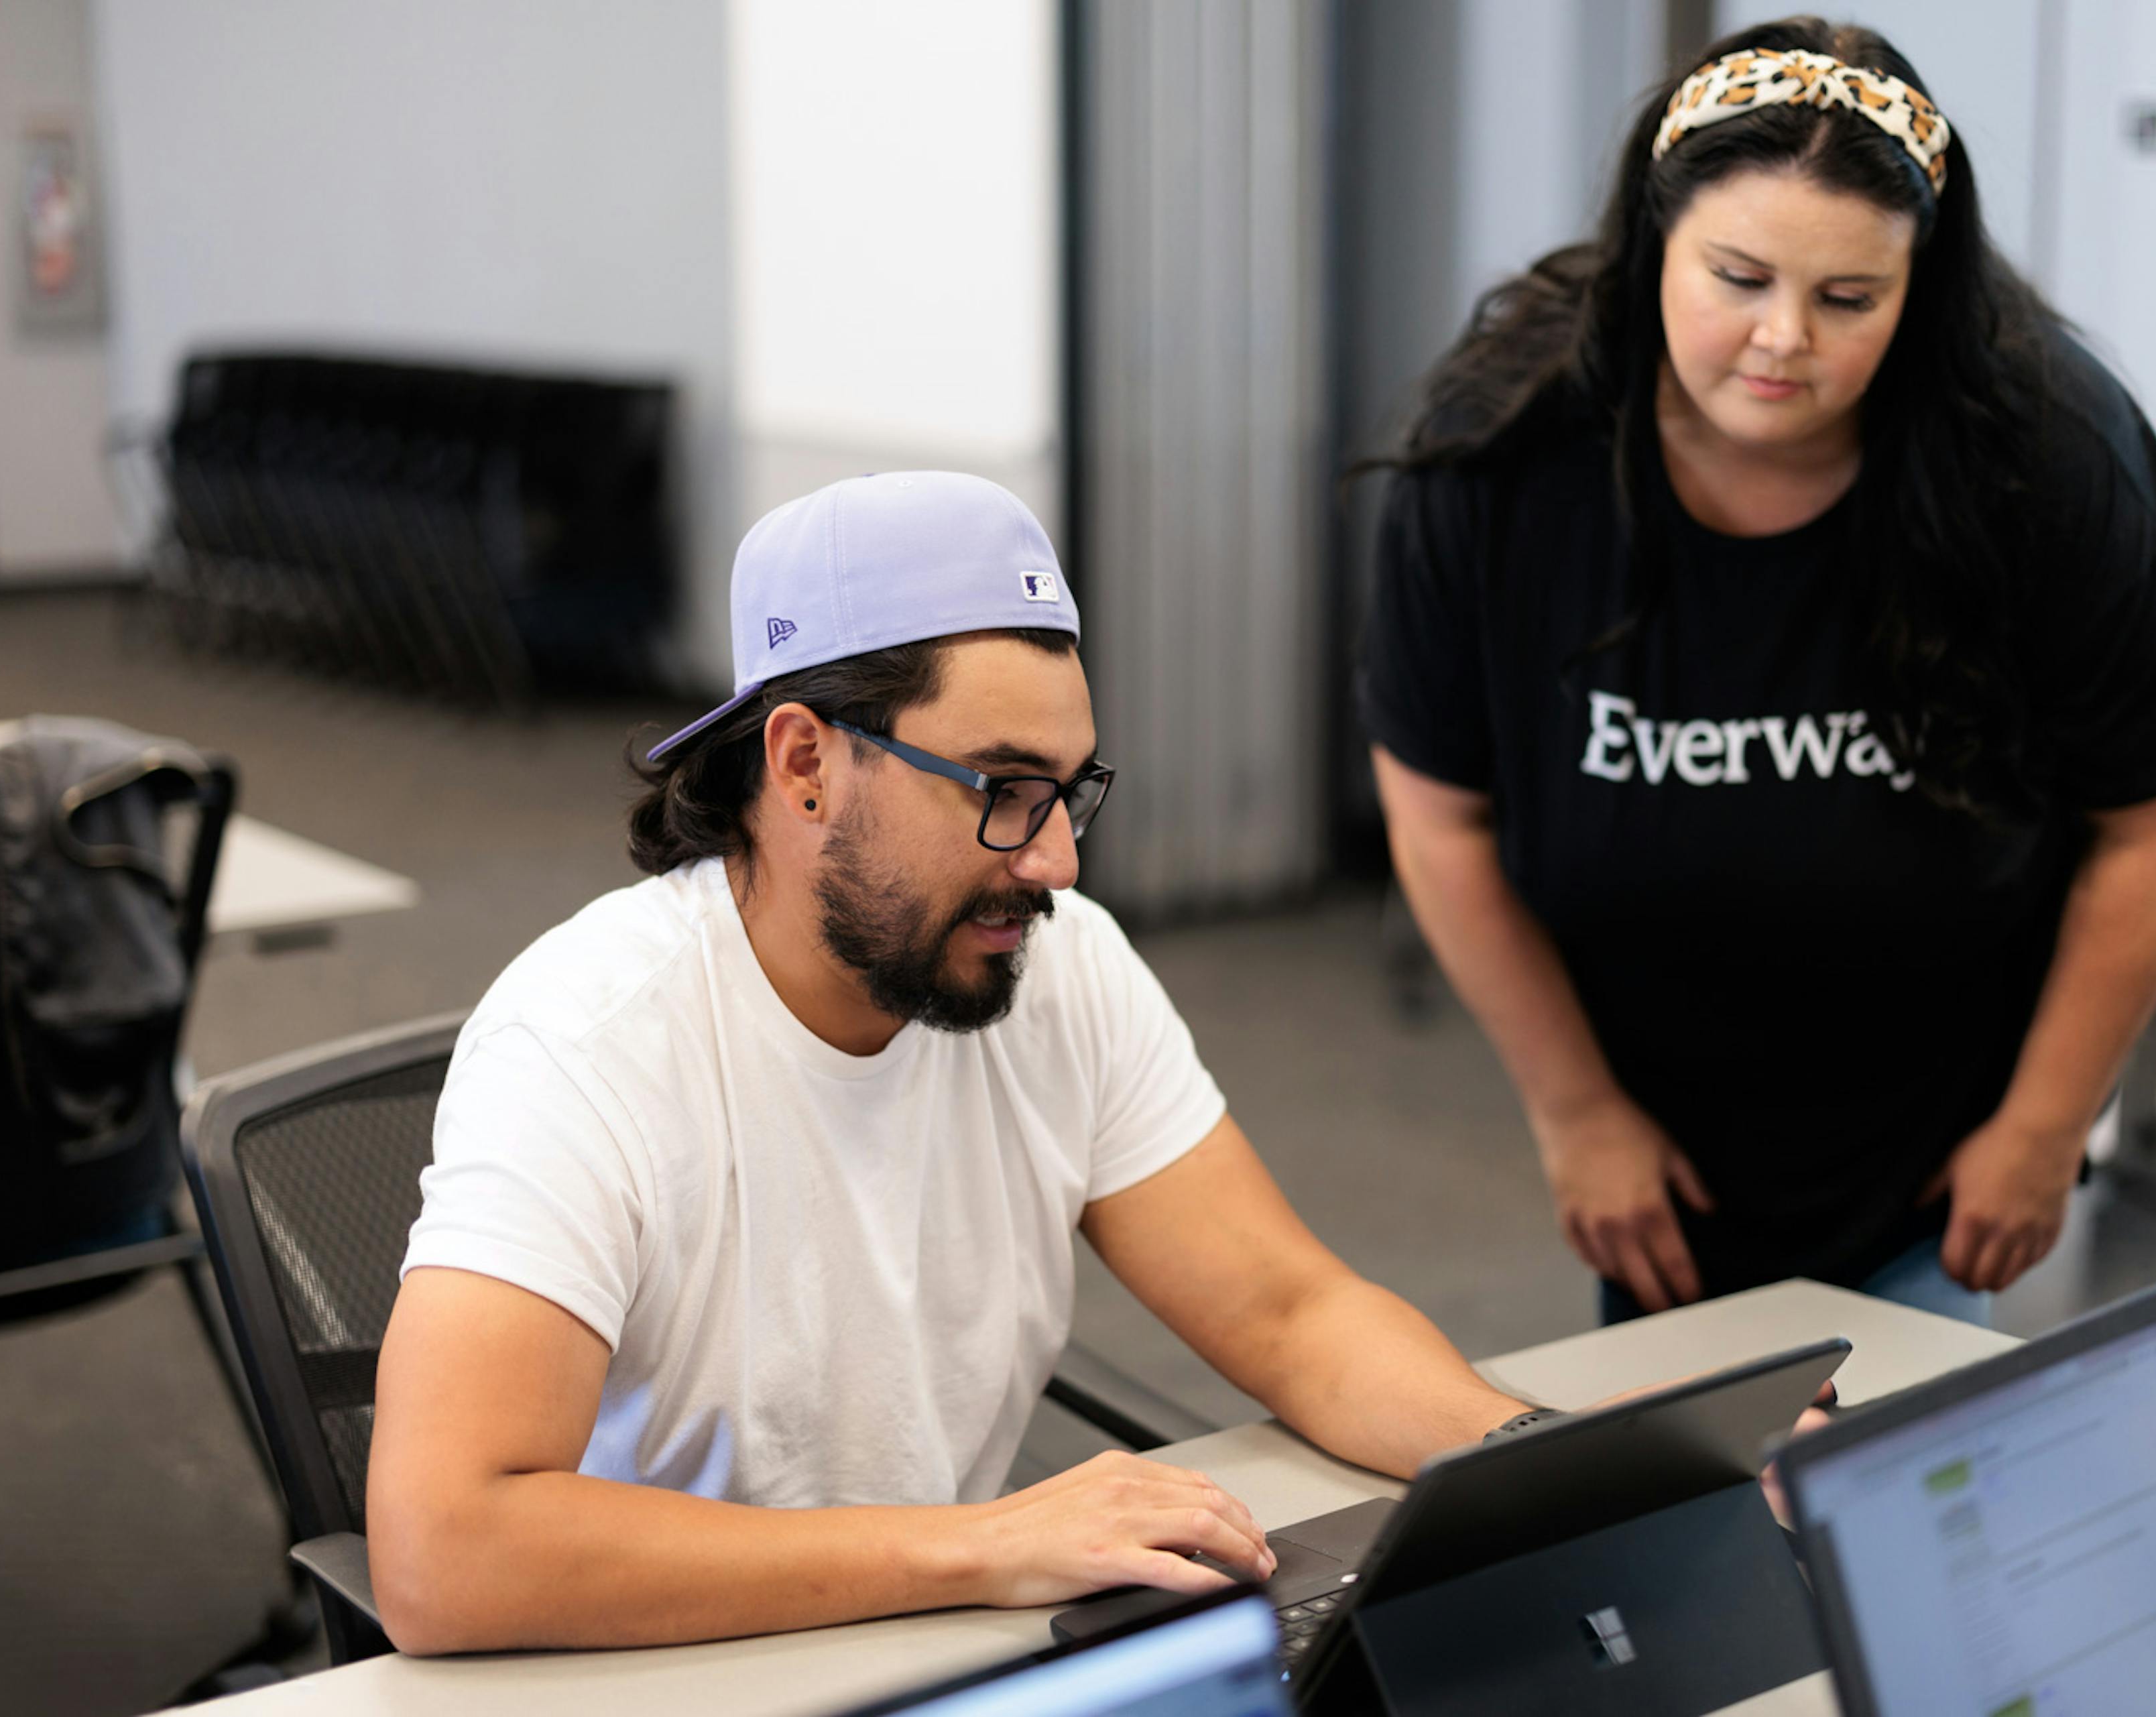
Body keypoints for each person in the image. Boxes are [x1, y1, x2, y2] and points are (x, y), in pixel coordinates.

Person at [366, 472, 1572, 1655]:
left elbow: (1290, 1312)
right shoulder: (589, 1041)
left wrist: (1545, 1457)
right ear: (803, 766)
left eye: (1068, 793)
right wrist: (975, 1546)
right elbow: (445, 1547)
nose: (1056, 864)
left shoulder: (1066, 971)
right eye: (1001, 790)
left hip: (941, 1652)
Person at [1360, 19, 2156, 1328]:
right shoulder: (1502, 448)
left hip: (1947, 1110)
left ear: (1917, 289)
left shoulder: (2050, 456)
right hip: (1653, 1095)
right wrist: (1576, 1110)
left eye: (1847, 300)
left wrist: (2047, 1128)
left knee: (1907, 1491)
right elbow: (1438, 812)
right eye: (1737, 277)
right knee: (1678, 1490)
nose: (1782, 342)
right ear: (1654, 243)